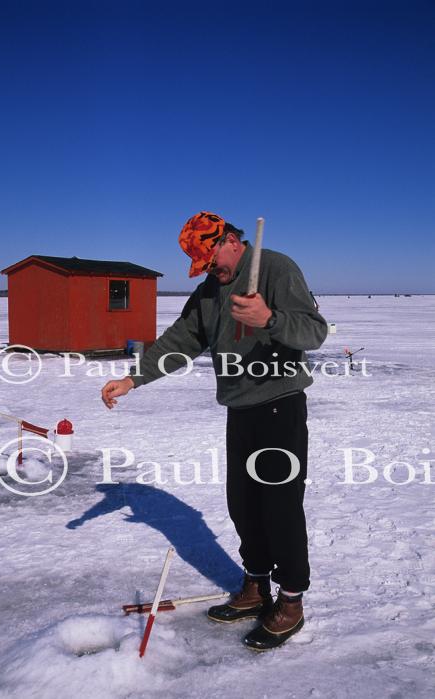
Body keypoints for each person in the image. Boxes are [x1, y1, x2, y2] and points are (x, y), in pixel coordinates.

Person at [101, 211, 328, 652]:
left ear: (228, 239)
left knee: (279, 504)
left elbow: (314, 332)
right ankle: (256, 586)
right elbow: (181, 339)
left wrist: (269, 319)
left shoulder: (277, 268)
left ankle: (292, 599)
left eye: (211, 260)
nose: (210, 270)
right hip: (240, 410)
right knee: (243, 503)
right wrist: (134, 378)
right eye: (203, 265)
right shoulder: (211, 290)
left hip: (279, 406)